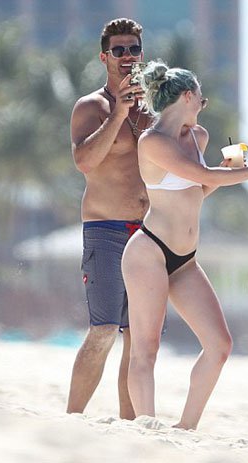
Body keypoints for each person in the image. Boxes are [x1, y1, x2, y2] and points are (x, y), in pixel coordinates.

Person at [121, 61, 248, 427]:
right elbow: (203, 174)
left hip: (185, 259)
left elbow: (199, 188)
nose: (203, 106)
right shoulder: (152, 142)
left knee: (219, 346)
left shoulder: (198, 137)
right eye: (201, 99)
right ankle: (147, 426)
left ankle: (185, 427)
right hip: (149, 252)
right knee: (146, 349)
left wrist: (225, 170)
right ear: (187, 97)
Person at [67, 18, 150, 419]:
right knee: (103, 330)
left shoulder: (153, 110)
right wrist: (119, 113)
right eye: (119, 50)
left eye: (133, 49)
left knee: (139, 336)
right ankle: (72, 418)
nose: (127, 56)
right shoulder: (92, 107)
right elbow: (84, 161)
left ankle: (128, 425)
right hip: (106, 230)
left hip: (149, 233)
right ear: (104, 57)